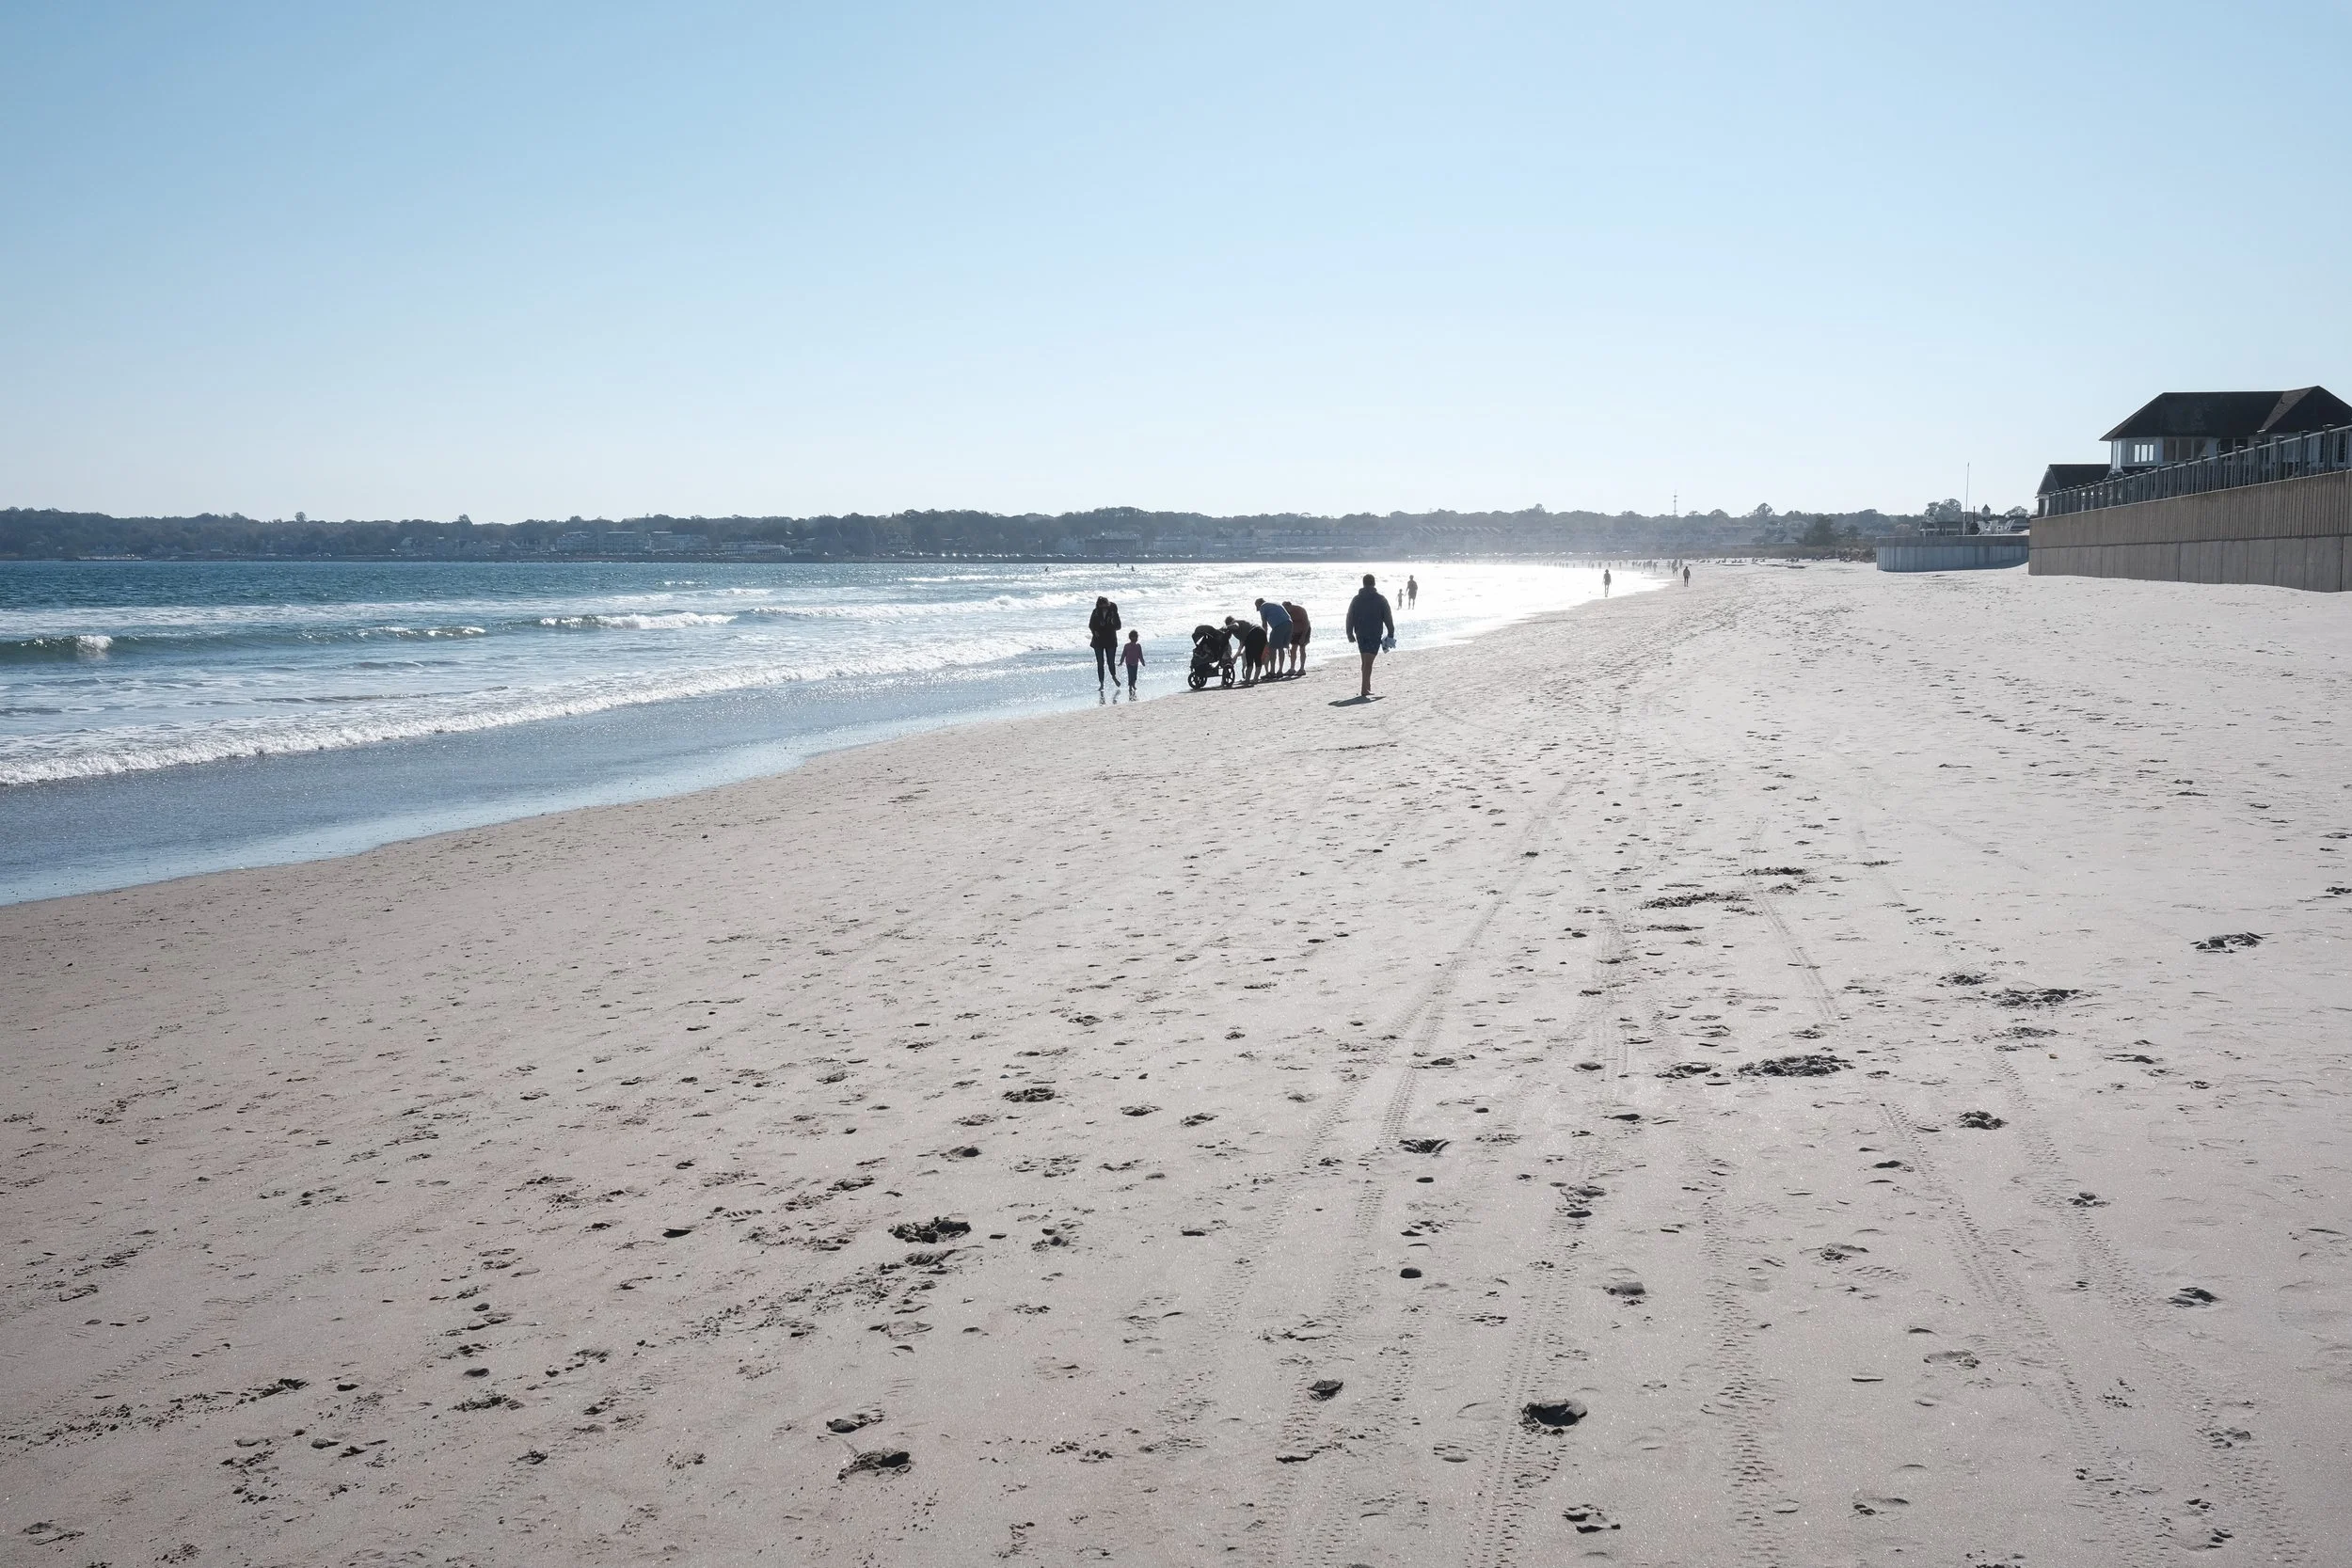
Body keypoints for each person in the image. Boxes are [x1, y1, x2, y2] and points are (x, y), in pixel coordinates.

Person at [1344, 573, 1394, 700]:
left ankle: (1367, 686)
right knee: (1368, 662)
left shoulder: (1356, 599)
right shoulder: (1380, 599)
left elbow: (1350, 616)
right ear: (1374, 583)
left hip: (1360, 633)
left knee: (1365, 662)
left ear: (1363, 584)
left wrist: (1349, 633)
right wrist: (1391, 633)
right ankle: (1364, 689)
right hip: (1374, 633)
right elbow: (1388, 617)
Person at [1254, 598, 1293, 678]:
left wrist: (1264, 638)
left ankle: (1272, 672)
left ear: (1259, 604)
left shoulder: (1263, 606)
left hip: (1279, 626)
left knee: (1272, 648)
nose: (1257, 609)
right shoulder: (1274, 603)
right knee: (1281, 648)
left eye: (1257, 606)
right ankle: (1280, 671)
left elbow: (1264, 624)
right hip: (1289, 624)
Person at [1089, 596, 1121, 688]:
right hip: (1098, 641)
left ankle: (1114, 676)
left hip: (1110, 640)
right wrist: (1094, 632)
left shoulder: (1113, 612)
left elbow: (1119, 626)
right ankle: (1101, 683)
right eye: (1101, 606)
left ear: (1108, 604)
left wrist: (1112, 623)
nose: (1103, 608)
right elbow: (1091, 625)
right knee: (1100, 663)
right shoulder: (1095, 612)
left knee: (1110, 661)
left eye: (1105, 606)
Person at [1281, 600, 1311, 676]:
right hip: (1294, 632)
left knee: (1302, 648)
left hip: (1304, 630)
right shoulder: (1286, 613)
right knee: (1293, 649)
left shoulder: (1300, 610)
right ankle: (1292, 668)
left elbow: (1306, 623)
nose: (1285, 610)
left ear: (1289, 606)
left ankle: (1302, 668)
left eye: (1285, 608)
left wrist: (1303, 636)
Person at [1120, 628, 1144, 693]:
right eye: (1133, 637)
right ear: (1130, 637)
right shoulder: (1127, 646)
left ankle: (1133, 684)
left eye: (1135, 637)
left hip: (1135, 663)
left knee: (1135, 676)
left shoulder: (1138, 646)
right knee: (1130, 675)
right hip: (1129, 663)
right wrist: (1121, 661)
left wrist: (1142, 662)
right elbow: (1123, 654)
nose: (1134, 638)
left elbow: (1140, 655)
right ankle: (1130, 686)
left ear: (1137, 638)